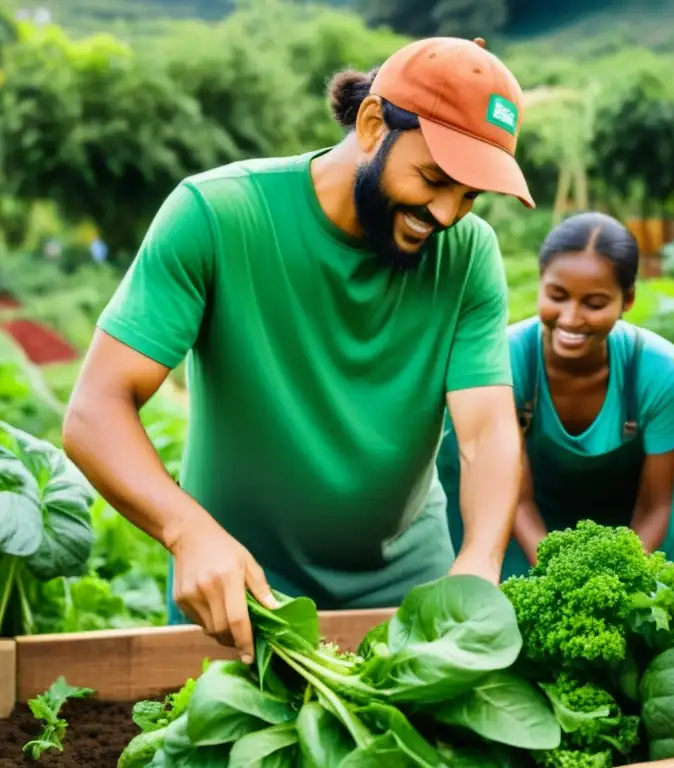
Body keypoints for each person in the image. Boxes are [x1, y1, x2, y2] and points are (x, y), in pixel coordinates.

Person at [61, 37, 533, 665]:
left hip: (408, 601)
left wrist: (477, 560)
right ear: (372, 125)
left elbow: (486, 432)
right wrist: (188, 532)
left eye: (471, 195)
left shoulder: (468, 254)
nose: (448, 213)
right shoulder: (220, 215)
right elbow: (97, 409)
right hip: (242, 597)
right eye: (434, 179)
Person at [437, 212, 674, 579]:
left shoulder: (657, 371)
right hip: (525, 519)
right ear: (541, 282)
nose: (571, 318)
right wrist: (559, 576)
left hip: (633, 528)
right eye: (557, 296)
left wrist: (622, 577)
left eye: (594, 304)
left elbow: (655, 504)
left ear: (627, 299)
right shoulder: (507, 361)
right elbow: (519, 498)